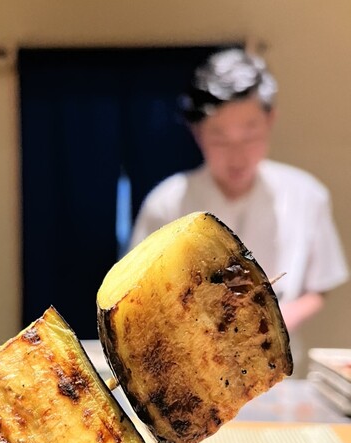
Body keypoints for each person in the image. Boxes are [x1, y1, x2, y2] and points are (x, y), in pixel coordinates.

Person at [129, 48, 349, 340]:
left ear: (270, 121)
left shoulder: (307, 195)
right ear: (197, 132)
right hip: (197, 354)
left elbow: (320, 285)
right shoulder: (166, 203)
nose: (237, 155)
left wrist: (277, 319)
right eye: (219, 139)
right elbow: (137, 295)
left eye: (250, 135)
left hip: (279, 354)